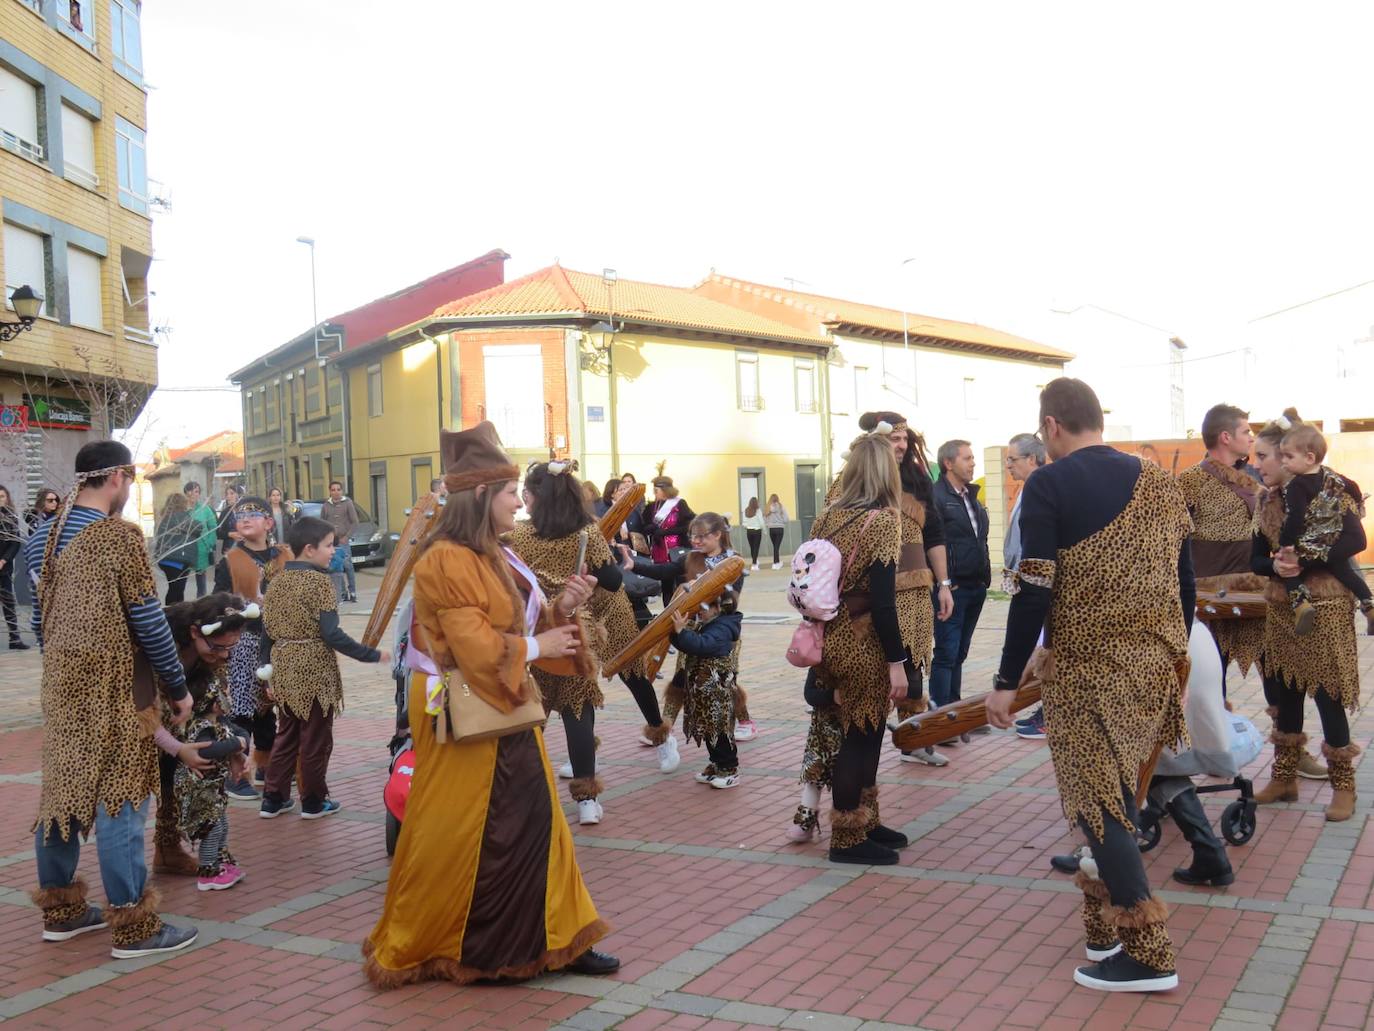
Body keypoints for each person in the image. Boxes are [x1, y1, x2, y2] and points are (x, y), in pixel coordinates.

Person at [363, 421, 616, 987]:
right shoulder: (446, 559)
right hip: (460, 711)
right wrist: (538, 644)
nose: (518, 506)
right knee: (456, 829)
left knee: (536, 820)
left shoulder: (494, 553)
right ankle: (448, 941)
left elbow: (517, 627)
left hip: (503, 705)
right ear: (480, 496)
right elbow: (473, 647)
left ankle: (555, 938)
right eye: (508, 496)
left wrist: (560, 608)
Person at [988, 378, 1194, 993]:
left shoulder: (1048, 482)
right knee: (1118, 795)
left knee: (1097, 803)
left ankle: (1150, 954)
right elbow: (1183, 582)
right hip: (1156, 663)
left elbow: (1034, 588)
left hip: (1089, 673)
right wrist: (1177, 663)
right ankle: (1104, 932)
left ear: (1050, 426)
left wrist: (1004, 678)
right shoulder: (1160, 480)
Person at [26, 440, 198, 958]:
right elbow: (148, 619)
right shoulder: (118, 537)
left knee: (62, 794)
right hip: (116, 687)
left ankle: (63, 913)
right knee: (121, 799)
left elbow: (40, 620)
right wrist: (178, 685)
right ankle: (135, 927)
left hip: (62, 687)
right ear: (119, 477)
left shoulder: (42, 538)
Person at [508, 460, 679, 826]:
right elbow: (613, 577)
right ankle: (579, 788)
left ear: (535, 496)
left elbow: (613, 583)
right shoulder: (546, 533)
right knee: (568, 695)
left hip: (604, 612)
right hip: (560, 620)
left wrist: (603, 566)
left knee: (632, 674)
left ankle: (662, 736)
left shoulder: (577, 532)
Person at [800, 433, 910, 865]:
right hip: (863, 640)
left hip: (829, 636)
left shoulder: (826, 518)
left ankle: (865, 821)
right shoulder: (883, 521)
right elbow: (884, 601)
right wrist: (897, 664)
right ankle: (847, 839)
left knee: (865, 732)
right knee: (860, 738)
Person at [1250, 413, 1362, 821]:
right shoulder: (1264, 501)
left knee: (1328, 695)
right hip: (1282, 609)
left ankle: (1343, 787)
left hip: (1326, 608)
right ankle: (1284, 778)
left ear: (1287, 457)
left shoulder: (1331, 491)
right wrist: (1275, 568)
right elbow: (1255, 558)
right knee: (1284, 694)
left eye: (1264, 456)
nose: (1257, 465)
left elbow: (1355, 539)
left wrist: (1304, 559)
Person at [259, 516, 386, 820]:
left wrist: (266, 671)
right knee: (315, 737)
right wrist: (368, 655)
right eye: (329, 546)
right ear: (309, 549)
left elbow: (266, 632)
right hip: (314, 669)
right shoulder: (320, 583)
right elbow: (331, 634)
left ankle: (273, 798)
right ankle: (314, 801)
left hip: (284, 665)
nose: (334, 551)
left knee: (286, 734)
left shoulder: (276, 580)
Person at [629, 512, 756, 741]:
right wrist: (633, 564)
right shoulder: (691, 557)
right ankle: (663, 728)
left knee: (723, 679)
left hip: (721, 630)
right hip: (690, 628)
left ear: (718, 534)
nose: (695, 541)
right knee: (681, 677)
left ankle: (745, 721)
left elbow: (729, 599)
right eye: (692, 536)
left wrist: (698, 589)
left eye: (701, 537)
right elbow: (664, 571)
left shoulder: (732, 562)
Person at [152, 593, 246, 878]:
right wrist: (177, 747)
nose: (224, 655)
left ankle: (167, 851)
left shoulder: (213, 654)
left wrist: (234, 749)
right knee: (134, 796)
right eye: (218, 647)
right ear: (195, 631)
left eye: (231, 648)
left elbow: (216, 705)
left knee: (173, 781)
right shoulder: (156, 646)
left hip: (177, 726)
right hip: (135, 727)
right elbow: (138, 709)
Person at [213, 496, 292, 798]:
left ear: (269, 523)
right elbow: (219, 604)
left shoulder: (285, 556)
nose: (244, 519)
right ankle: (237, 773)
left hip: (282, 640)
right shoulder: (230, 561)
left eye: (253, 514)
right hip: (246, 639)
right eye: (239, 515)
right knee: (243, 706)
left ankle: (268, 766)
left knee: (273, 706)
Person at [1273, 417, 1373, 635]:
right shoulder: (1333, 477)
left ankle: (1301, 605)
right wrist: (1357, 501)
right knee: (1346, 572)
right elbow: (1353, 486)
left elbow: (1296, 517)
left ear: (1309, 457)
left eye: (1289, 456)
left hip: (1308, 544)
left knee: (1288, 571)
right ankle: (1369, 604)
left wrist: (1286, 544)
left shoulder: (1296, 486)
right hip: (1332, 542)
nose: (1284, 462)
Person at [930, 439, 990, 729]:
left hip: (975, 586)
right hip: (951, 590)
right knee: (946, 653)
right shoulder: (937, 498)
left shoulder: (971, 497)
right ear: (948, 463)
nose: (973, 463)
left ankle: (954, 711)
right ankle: (940, 718)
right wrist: (944, 583)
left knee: (960, 652)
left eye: (973, 457)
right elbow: (935, 543)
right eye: (967, 458)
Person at [669, 580, 743, 789]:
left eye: (704, 608)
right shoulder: (710, 623)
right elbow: (688, 644)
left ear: (719, 608)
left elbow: (702, 645)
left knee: (720, 731)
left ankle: (729, 768)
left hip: (717, 694)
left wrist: (682, 633)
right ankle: (717, 764)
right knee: (708, 729)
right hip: (704, 694)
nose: (698, 612)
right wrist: (676, 634)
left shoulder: (723, 628)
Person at [1002, 433, 1048, 740]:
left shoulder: (1041, 488)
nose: (1008, 465)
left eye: (1012, 459)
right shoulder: (1028, 488)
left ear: (1032, 459)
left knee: (1042, 653)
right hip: (1026, 582)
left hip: (1038, 586)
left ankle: (1047, 715)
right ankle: (1044, 711)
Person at [643, 472, 695, 605]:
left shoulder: (679, 504)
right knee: (666, 587)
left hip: (677, 550)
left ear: (665, 490)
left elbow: (689, 524)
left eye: (656, 490)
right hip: (660, 552)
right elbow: (644, 525)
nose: (654, 493)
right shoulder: (652, 506)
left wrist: (667, 532)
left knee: (681, 584)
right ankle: (667, 613)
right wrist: (650, 528)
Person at [153, 492, 199, 604]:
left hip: (165, 559)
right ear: (182, 503)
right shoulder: (181, 516)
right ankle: (174, 614)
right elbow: (198, 528)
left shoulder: (164, 517)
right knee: (177, 590)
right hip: (178, 560)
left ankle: (174, 612)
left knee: (174, 588)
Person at [321, 480, 360, 602]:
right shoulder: (326, 506)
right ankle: (342, 592)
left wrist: (346, 537)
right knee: (337, 567)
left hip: (343, 541)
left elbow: (355, 522)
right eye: (333, 490)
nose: (336, 492)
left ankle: (352, 591)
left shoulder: (347, 503)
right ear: (330, 491)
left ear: (342, 491)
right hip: (331, 542)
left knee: (347, 566)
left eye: (338, 489)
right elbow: (322, 523)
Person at [0, 485, 27, 649]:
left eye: (2, 496)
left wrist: (3, 560)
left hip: (4, 569)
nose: (0, 499)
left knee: (9, 603)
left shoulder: (10, 517)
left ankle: (14, 639)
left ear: (7, 498)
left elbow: (15, 542)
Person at [185, 482, 218, 598]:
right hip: (185, 549)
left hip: (201, 549)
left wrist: (209, 542)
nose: (195, 494)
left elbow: (213, 526)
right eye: (193, 491)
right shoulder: (183, 510)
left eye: (197, 491)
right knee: (181, 582)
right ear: (186, 493)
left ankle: (202, 605)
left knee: (201, 583)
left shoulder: (205, 509)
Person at [215, 483, 242, 561]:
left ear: (238, 495)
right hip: (228, 550)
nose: (228, 496)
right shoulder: (224, 512)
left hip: (244, 550)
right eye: (227, 494)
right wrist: (229, 534)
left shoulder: (245, 511)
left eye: (232, 493)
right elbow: (218, 533)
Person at [763, 494, 788, 569]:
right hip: (780, 528)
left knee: (775, 546)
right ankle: (775, 563)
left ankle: (777, 562)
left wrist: (768, 524)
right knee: (777, 546)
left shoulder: (768, 508)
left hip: (772, 529)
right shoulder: (781, 506)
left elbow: (764, 518)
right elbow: (786, 518)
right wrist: (782, 521)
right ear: (777, 499)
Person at [741, 497, 765, 571]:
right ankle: (754, 564)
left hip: (749, 531)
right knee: (756, 548)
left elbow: (744, 522)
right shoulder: (758, 511)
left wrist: (747, 526)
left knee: (752, 547)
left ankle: (754, 561)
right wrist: (764, 530)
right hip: (757, 530)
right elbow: (761, 522)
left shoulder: (746, 510)